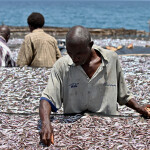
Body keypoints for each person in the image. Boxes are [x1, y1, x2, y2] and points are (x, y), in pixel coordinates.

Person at [39, 25, 150, 146]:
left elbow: (123, 95)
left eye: (79, 54)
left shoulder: (111, 59)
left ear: (90, 45)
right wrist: (45, 123)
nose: (74, 58)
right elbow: (47, 98)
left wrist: (138, 107)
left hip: (110, 128)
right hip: (75, 131)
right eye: (70, 53)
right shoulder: (61, 65)